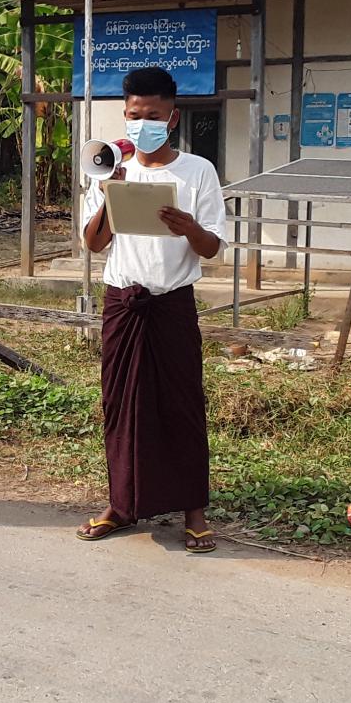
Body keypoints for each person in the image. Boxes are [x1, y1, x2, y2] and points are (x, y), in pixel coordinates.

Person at [77, 67, 227, 553]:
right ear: (125, 115)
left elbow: (212, 248)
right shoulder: (108, 167)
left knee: (181, 405)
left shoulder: (198, 171)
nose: (143, 125)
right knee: (120, 405)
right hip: (123, 303)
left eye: (154, 116)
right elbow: (94, 243)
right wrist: (109, 195)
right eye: (134, 115)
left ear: (173, 118)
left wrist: (188, 227)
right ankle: (121, 505)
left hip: (172, 305)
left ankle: (193, 510)